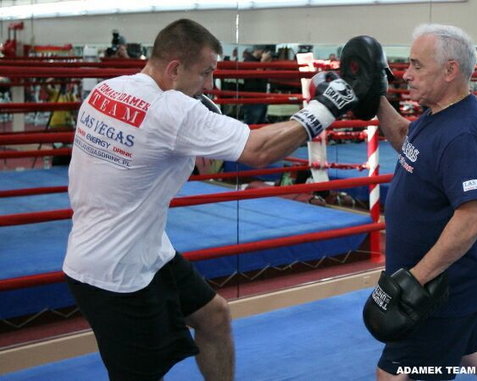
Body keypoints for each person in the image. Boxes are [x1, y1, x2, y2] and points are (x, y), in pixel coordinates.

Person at [63, 18, 357, 381]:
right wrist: (329, 105)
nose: (210, 85)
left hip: (140, 250)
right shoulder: (171, 110)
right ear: (174, 69)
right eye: (205, 73)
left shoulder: (107, 90)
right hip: (116, 274)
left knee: (214, 316)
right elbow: (258, 150)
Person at [372, 24, 477, 381]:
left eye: (416, 65)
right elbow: (408, 143)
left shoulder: (464, 133)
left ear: (449, 71)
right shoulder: (438, 113)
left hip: (440, 289)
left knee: (395, 375)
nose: (406, 75)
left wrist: (414, 283)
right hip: (452, 280)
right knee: (472, 356)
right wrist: (377, 99)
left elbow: (472, 220)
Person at [242, 46, 273, 124]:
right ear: (257, 50)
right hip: (252, 96)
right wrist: (263, 62)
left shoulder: (258, 60)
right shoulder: (248, 61)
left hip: (262, 95)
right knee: (252, 122)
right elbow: (255, 75)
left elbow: (268, 75)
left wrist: (267, 64)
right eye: (263, 50)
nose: (264, 52)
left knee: (260, 122)